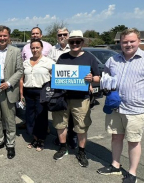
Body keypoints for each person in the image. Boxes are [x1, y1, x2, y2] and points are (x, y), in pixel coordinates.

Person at [97, 28, 144, 183]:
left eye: (131, 41)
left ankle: (132, 173)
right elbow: (105, 77)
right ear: (120, 42)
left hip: (137, 109)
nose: (128, 44)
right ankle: (115, 165)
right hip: (115, 107)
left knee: (133, 141)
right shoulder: (113, 60)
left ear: (139, 41)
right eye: (124, 41)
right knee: (116, 137)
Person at [52, 30, 100, 167]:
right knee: (60, 124)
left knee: (81, 126)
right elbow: (57, 76)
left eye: (77, 41)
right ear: (68, 42)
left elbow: (98, 77)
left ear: (82, 42)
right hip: (63, 97)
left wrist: (92, 79)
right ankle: (62, 147)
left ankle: (82, 152)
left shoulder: (89, 58)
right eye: (72, 41)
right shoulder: (63, 57)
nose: (74, 44)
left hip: (81, 98)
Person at [0, 25, 23, 159]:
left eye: (4, 36)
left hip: (8, 88)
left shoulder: (16, 51)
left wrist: (8, 83)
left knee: (9, 119)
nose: (2, 38)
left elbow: (20, 70)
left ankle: (10, 144)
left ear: (9, 37)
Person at [19, 39, 55, 152]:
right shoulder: (25, 63)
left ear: (41, 48)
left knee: (41, 117)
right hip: (28, 92)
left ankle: (41, 140)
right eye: (33, 48)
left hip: (42, 92)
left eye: (37, 47)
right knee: (30, 117)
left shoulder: (48, 62)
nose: (35, 50)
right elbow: (21, 79)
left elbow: (55, 77)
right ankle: (34, 138)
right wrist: (21, 94)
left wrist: (52, 92)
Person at [48, 28, 78, 149]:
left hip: (75, 88)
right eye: (60, 35)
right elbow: (50, 67)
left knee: (74, 115)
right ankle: (61, 139)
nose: (62, 36)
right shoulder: (53, 50)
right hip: (59, 88)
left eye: (64, 34)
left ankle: (73, 137)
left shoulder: (75, 47)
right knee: (61, 114)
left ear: (69, 35)